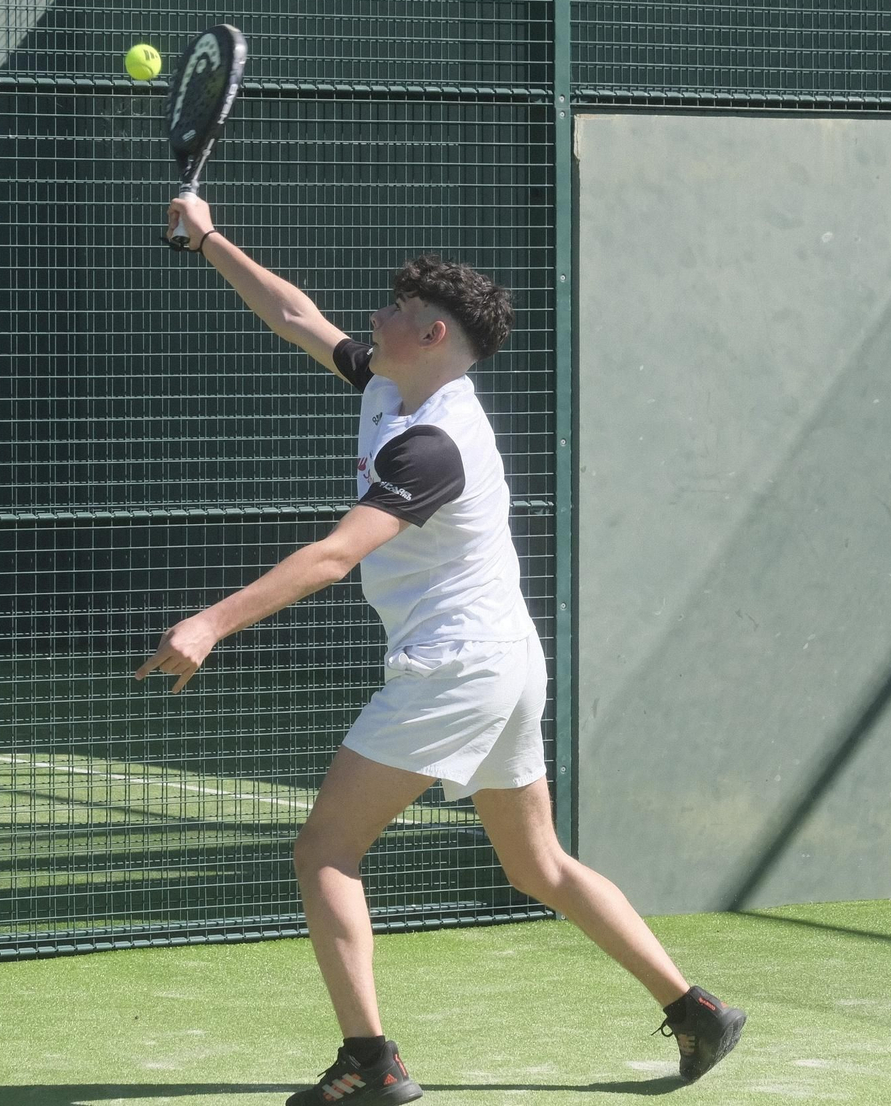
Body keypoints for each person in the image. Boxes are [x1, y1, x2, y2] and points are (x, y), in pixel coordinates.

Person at [136, 196, 745, 1105]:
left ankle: (370, 1063)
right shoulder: (394, 384)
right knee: (538, 866)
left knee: (324, 851)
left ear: (430, 332)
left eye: (388, 310)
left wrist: (211, 622)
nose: (370, 318)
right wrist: (210, 236)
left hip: (456, 666)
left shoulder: (434, 444)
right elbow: (299, 317)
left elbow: (339, 554)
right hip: (504, 661)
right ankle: (695, 1009)